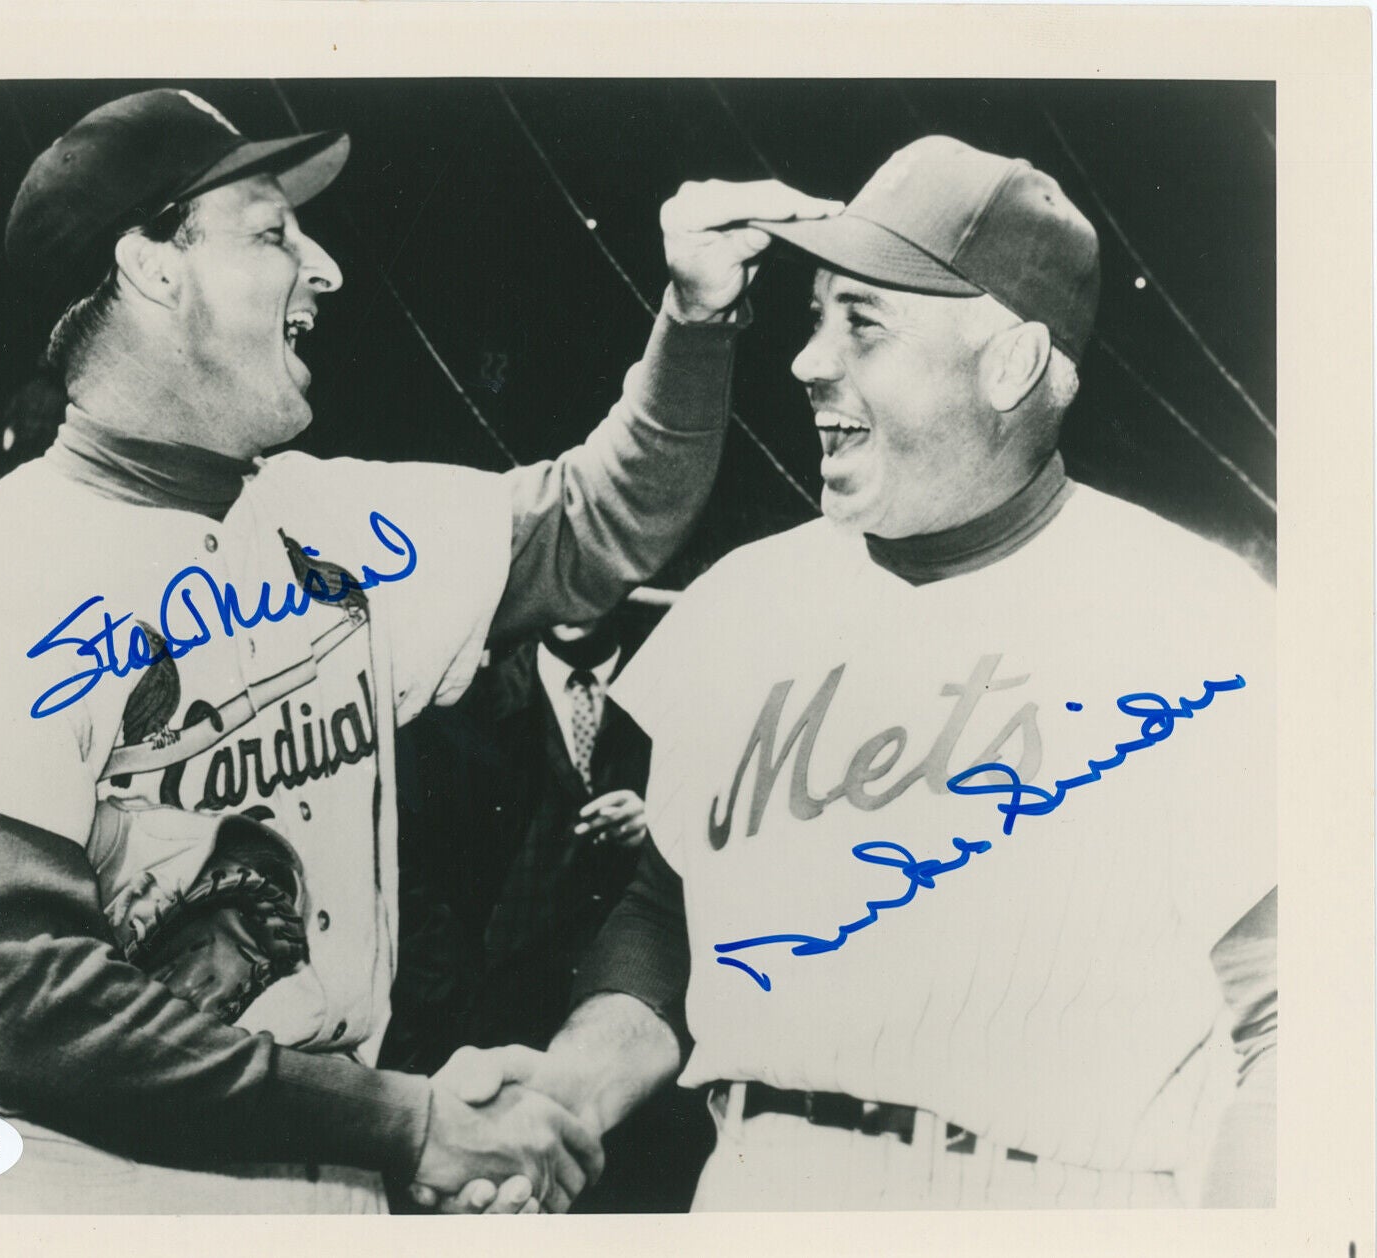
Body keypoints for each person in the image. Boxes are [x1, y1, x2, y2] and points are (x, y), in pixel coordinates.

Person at [0, 88, 842, 1214]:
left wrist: (695, 317)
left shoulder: (328, 518)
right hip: (93, 1200)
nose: (324, 268)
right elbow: (33, 1010)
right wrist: (409, 1120)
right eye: (271, 232)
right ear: (153, 267)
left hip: (336, 1193)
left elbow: (602, 521)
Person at [419, 135, 1276, 1212]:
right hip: (757, 1183)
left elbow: (1293, 1013)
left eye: (861, 324)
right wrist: (566, 1093)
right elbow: (662, 922)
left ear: (1008, 361)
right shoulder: (746, 596)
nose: (807, 360)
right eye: (816, 314)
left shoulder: (1192, 613)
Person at [383, 610, 713, 1211]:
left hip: (628, 1040)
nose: (582, 608)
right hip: (500, 1024)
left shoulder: (680, 689)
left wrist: (657, 821)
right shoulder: (467, 698)